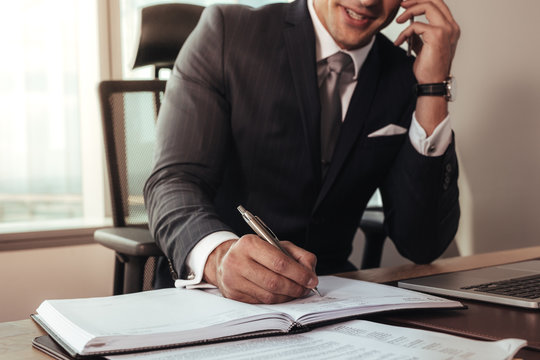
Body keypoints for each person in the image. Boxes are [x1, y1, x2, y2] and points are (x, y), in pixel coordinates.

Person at [144, 0, 461, 304]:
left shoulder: (404, 75)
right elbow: (173, 180)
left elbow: (422, 244)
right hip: (212, 294)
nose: (367, 1)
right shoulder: (228, 32)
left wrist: (433, 88)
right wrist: (218, 256)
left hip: (330, 298)